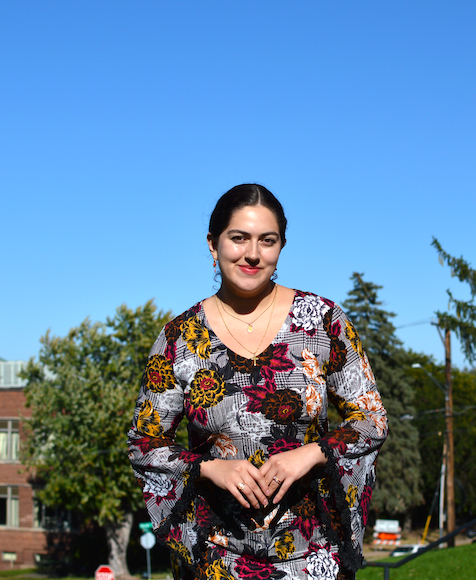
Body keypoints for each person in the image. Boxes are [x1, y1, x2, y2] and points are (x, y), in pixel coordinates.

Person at [128, 184, 388, 580]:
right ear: (213, 244)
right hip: (216, 558)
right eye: (239, 238)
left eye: (267, 241)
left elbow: (372, 420)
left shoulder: (322, 321)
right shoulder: (179, 338)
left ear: (281, 246)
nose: (252, 253)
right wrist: (209, 468)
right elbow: (145, 442)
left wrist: (311, 453)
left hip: (313, 555)